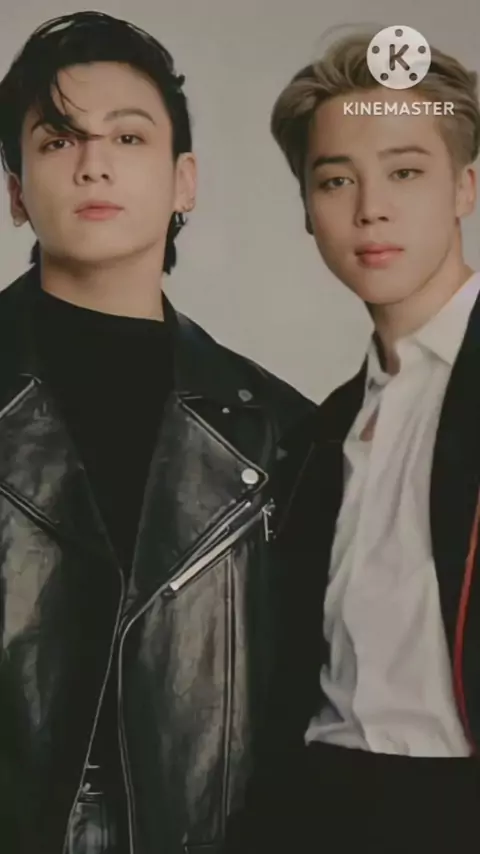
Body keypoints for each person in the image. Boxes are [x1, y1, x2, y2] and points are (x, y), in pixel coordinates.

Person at [0, 11, 311, 854]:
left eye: (128, 137)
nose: (94, 162)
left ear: (184, 182)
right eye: (58, 140)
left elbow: (301, 716)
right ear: (17, 192)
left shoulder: (279, 433)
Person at [226, 31, 480, 853]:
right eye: (336, 179)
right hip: (322, 805)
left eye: (405, 172)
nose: (370, 208)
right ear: (307, 210)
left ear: (465, 186)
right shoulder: (315, 434)